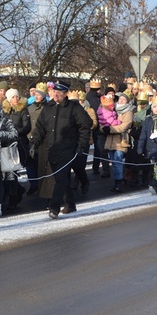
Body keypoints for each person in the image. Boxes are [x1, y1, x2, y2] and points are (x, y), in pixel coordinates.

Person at [29, 80, 91, 219]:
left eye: (59, 92)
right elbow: (40, 129)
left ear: (65, 93)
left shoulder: (73, 108)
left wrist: (81, 145)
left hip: (68, 148)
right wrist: (34, 144)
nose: (56, 95)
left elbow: (85, 126)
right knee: (59, 177)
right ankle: (70, 204)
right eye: (54, 92)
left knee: (61, 177)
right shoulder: (48, 107)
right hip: (51, 149)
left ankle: (54, 207)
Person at [103, 92, 134, 192]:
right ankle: (120, 178)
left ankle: (118, 183)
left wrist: (110, 129)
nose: (121, 101)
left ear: (127, 102)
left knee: (117, 161)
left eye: (123, 99)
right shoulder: (112, 109)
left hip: (121, 140)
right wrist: (103, 128)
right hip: (110, 140)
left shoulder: (128, 112)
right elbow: (103, 121)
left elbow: (124, 126)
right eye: (120, 99)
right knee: (114, 162)